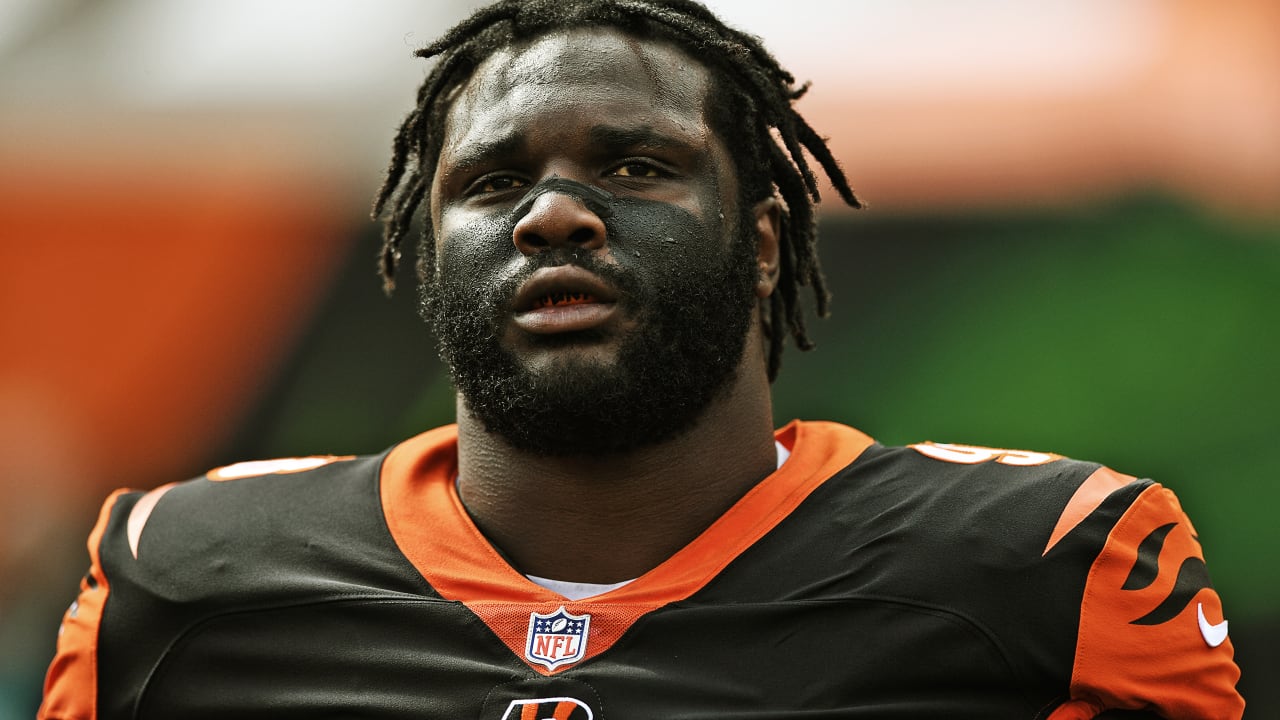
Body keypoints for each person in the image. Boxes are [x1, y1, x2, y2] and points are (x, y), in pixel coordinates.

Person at [39, 1, 1244, 717]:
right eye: (493, 181)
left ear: (764, 242)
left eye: (635, 166)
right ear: (425, 247)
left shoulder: (1040, 568)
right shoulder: (184, 580)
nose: (553, 215)